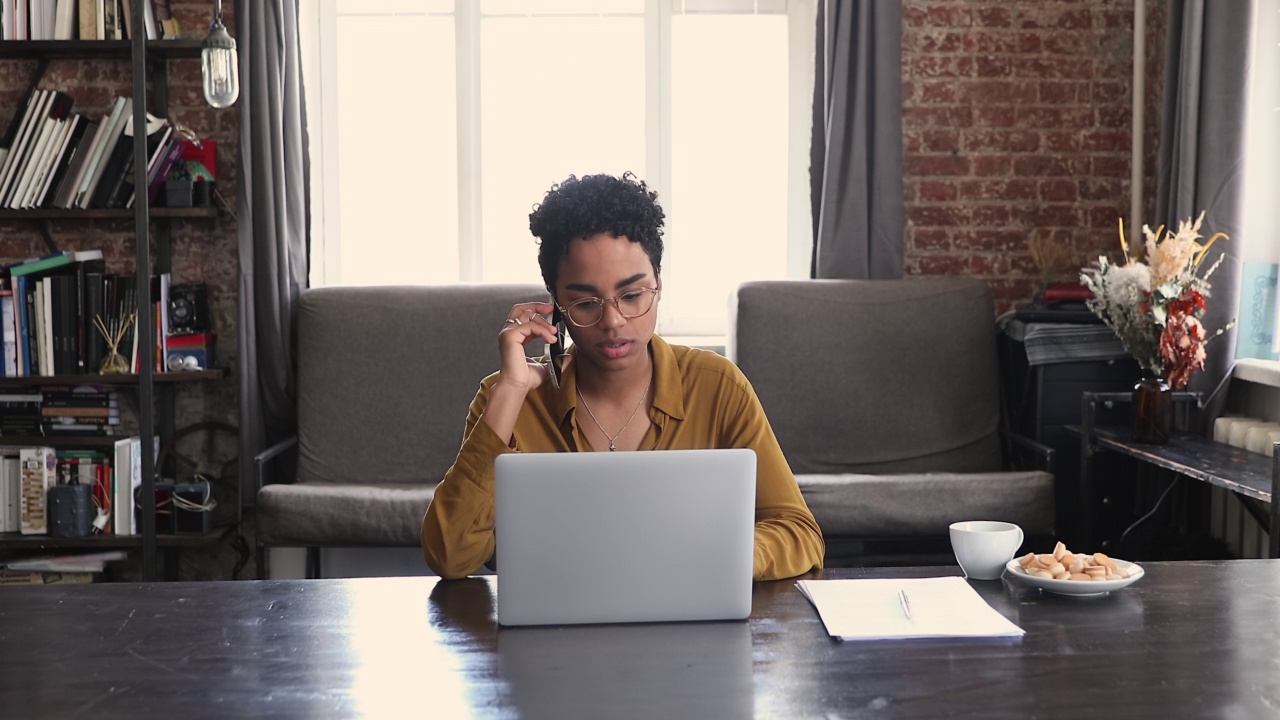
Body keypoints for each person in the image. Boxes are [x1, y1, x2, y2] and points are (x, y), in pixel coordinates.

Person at [420, 172, 824, 581]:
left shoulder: (718, 386)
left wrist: (716, 557)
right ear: (555, 305)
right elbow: (450, 557)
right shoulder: (506, 399)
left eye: (632, 295)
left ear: (659, 285)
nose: (612, 321)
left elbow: (799, 534)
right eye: (584, 302)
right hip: (551, 634)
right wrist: (510, 391)